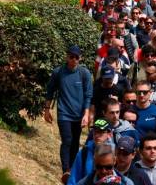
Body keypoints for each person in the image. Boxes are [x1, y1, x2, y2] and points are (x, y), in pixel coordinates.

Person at [44, 45, 94, 183]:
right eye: (71, 56)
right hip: (63, 113)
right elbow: (50, 91)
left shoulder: (84, 73)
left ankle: (71, 169)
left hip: (78, 115)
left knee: (75, 142)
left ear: (80, 58)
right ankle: (65, 169)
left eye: (76, 57)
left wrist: (86, 114)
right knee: (67, 140)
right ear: (67, 56)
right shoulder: (58, 72)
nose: (73, 60)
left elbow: (88, 95)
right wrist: (47, 109)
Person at [67, 119, 115, 185]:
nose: (97, 135)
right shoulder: (84, 153)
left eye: (101, 132)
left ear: (109, 134)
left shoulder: (116, 153)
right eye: (95, 132)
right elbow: (73, 179)